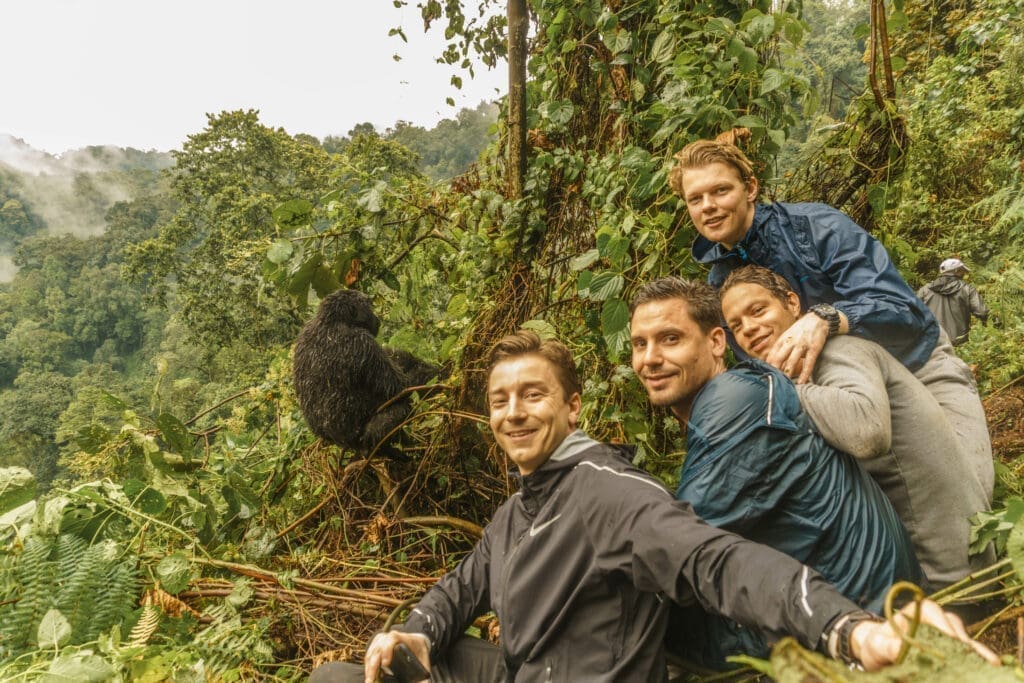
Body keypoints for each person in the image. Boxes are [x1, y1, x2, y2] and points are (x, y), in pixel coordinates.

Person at [309, 330, 996, 682]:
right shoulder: (518, 509)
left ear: (573, 407)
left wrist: (850, 628)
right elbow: (463, 584)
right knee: (350, 671)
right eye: (500, 400)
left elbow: (718, 562)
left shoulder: (610, 493)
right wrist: (417, 630)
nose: (514, 412)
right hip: (524, 671)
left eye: (533, 395)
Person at [670, 139, 994, 499]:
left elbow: (904, 310)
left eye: (720, 190)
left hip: (916, 364)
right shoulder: (720, 283)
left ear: (750, 189)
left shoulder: (815, 227)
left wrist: (826, 317)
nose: (708, 206)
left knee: (972, 495)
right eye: (695, 199)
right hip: (839, 400)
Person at [630, 277, 920, 667]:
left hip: (865, 621)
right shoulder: (737, 393)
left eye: (670, 339)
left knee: (635, 617)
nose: (649, 359)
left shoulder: (734, 401)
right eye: (639, 344)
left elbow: (682, 552)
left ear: (716, 342)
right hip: (858, 596)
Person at [719, 265, 994, 590]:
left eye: (758, 311)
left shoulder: (839, 349)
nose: (749, 329)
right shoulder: (808, 370)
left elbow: (866, 432)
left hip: (948, 578)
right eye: (737, 326)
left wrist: (776, 389)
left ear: (792, 304)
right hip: (924, 567)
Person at [917, 258, 989, 346]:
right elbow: (982, 312)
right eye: (962, 271)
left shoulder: (925, 290)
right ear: (956, 271)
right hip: (959, 343)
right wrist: (986, 325)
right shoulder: (967, 289)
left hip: (932, 342)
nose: (964, 274)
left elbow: (913, 313)